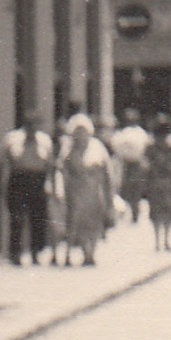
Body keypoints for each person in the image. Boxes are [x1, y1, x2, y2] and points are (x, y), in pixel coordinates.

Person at [0, 110, 55, 265]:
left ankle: (36, 252)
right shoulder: (12, 138)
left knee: (37, 218)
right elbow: (3, 161)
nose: (33, 128)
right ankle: (15, 254)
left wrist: (50, 183)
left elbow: (50, 164)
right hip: (18, 179)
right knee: (16, 218)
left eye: (36, 124)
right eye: (30, 124)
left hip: (38, 180)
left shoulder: (45, 141)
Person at [58, 113, 115, 266]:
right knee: (75, 223)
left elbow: (107, 171)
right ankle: (74, 254)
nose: (80, 134)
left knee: (94, 224)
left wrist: (109, 194)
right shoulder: (68, 149)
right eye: (77, 131)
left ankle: (90, 254)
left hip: (95, 192)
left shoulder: (97, 146)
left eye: (83, 131)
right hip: (75, 192)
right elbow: (63, 170)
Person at [143, 113, 171, 252]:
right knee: (158, 212)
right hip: (159, 182)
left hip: (168, 183)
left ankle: (164, 241)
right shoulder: (151, 145)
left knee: (167, 212)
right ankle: (160, 242)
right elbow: (144, 162)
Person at [110, 107, 151, 223]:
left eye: (132, 118)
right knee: (123, 189)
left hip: (137, 164)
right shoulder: (121, 133)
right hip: (124, 164)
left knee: (136, 190)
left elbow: (145, 147)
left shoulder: (140, 132)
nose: (130, 120)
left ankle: (135, 213)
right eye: (128, 118)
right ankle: (123, 213)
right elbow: (116, 146)